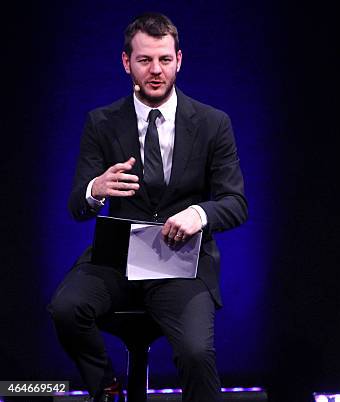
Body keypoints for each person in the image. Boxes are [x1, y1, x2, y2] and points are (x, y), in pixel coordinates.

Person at [48, 13, 247, 402]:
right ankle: (106, 385)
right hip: (117, 260)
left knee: (196, 353)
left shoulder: (212, 123)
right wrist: (95, 188)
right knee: (65, 309)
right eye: (144, 60)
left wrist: (199, 214)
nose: (156, 70)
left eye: (164, 60)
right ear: (127, 63)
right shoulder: (101, 122)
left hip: (181, 263)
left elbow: (236, 204)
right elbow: (77, 205)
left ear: (179, 60)